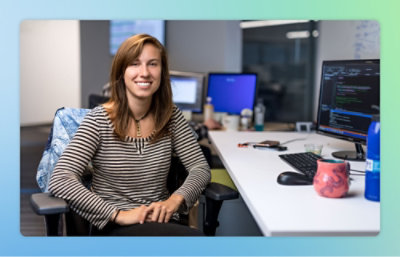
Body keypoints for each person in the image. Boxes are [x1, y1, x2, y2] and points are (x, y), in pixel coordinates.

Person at [48, 34, 211, 236]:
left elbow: (200, 168)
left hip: (163, 220)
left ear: (162, 72)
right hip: (115, 226)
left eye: (153, 64)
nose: (144, 73)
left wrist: (175, 200)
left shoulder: (171, 117)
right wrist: (118, 214)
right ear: (121, 72)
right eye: (134, 64)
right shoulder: (98, 120)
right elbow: (61, 178)